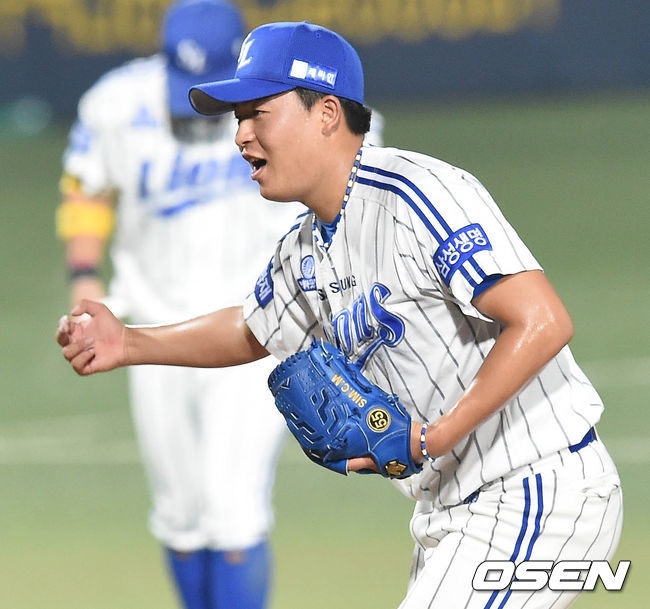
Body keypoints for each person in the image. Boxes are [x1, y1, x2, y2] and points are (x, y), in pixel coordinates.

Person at [57, 21, 622, 609]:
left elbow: (542, 320)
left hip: (536, 491)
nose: (241, 135)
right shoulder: (305, 247)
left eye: (257, 114)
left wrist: (437, 436)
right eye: (238, 118)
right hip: (451, 512)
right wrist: (129, 342)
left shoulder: (416, 195)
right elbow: (251, 329)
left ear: (327, 113)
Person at [55, 4, 306, 609]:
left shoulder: (292, 103)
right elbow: (85, 186)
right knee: (179, 516)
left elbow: (347, 182)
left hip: (256, 333)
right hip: (150, 332)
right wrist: (84, 276)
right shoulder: (115, 103)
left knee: (233, 509)